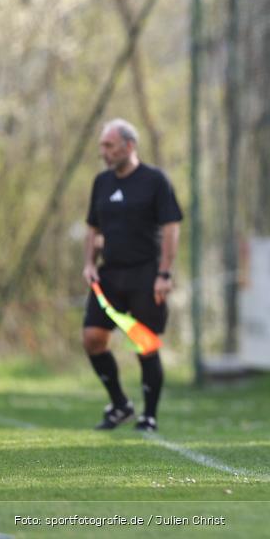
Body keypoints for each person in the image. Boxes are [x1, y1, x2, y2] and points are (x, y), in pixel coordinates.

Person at [82, 119, 182, 432]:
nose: (104, 152)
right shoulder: (101, 182)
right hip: (109, 275)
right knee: (92, 338)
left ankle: (149, 416)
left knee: (145, 344)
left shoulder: (155, 181)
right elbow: (93, 228)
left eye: (109, 146)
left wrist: (164, 273)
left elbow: (171, 228)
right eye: (102, 146)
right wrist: (89, 262)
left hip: (145, 274)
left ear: (129, 146)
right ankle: (121, 404)